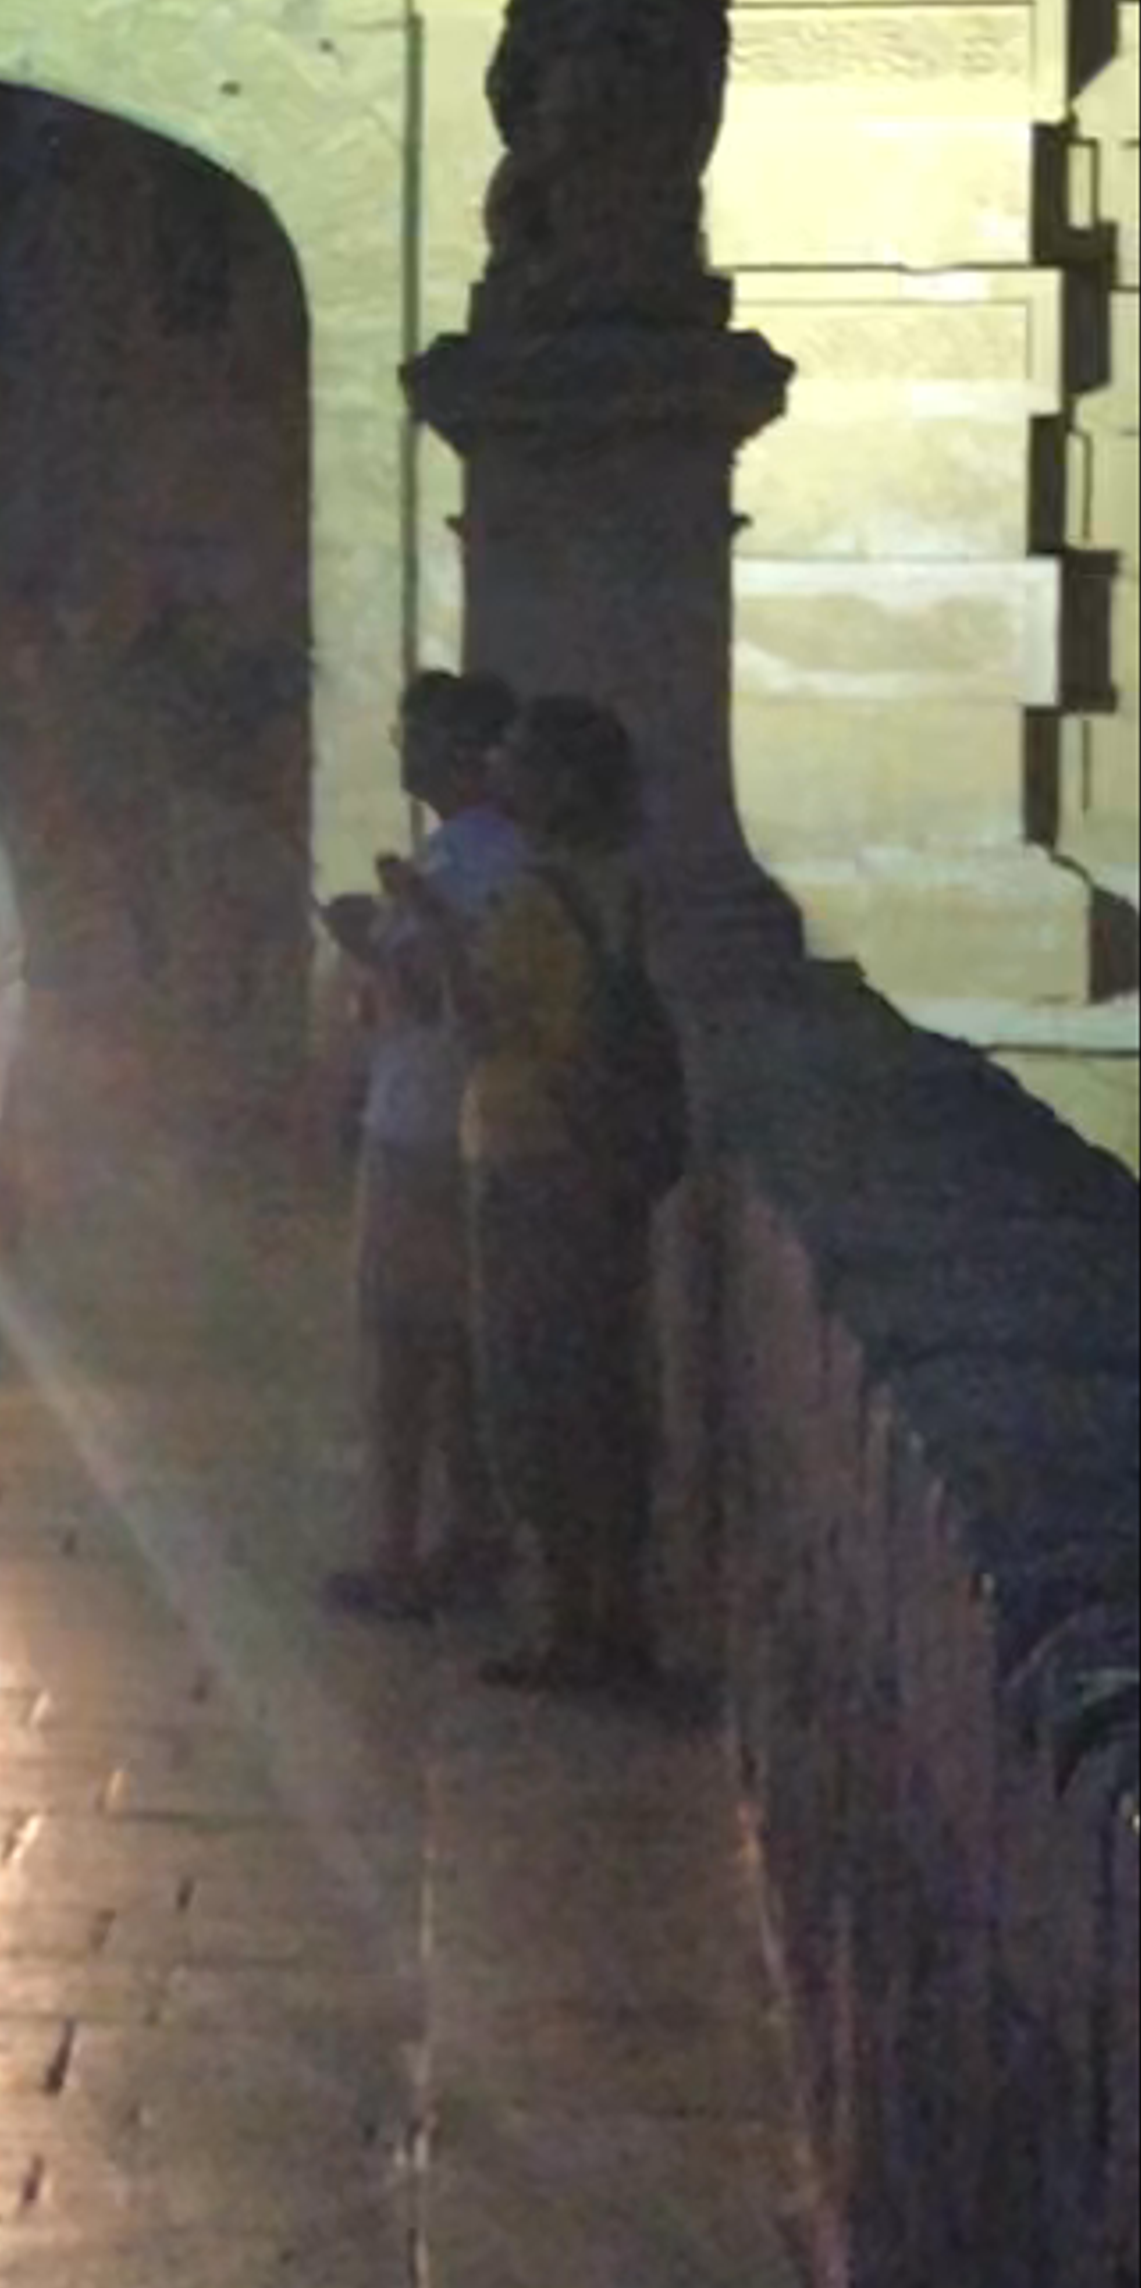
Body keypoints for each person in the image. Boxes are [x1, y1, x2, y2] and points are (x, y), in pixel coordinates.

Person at [454, 687, 668, 1694]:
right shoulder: (620, 882)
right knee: (598, 1389)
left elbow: (491, 1025)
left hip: (536, 1160)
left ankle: (570, 1621)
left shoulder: (541, 895)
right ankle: (608, 1612)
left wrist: (429, 934)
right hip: (595, 1163)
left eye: (521, 756)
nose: (501, 767)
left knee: (538, 1393)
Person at [319, 669, 520, 1622]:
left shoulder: (471, 863)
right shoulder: (469, 855)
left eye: (419, 735)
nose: (406, 750)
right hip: (444, 1120)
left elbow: (440, 996)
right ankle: (466, 1538)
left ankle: (401, 1555)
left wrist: (384, 937)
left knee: (406, 1348)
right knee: (453, 1355)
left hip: (424, 1127)